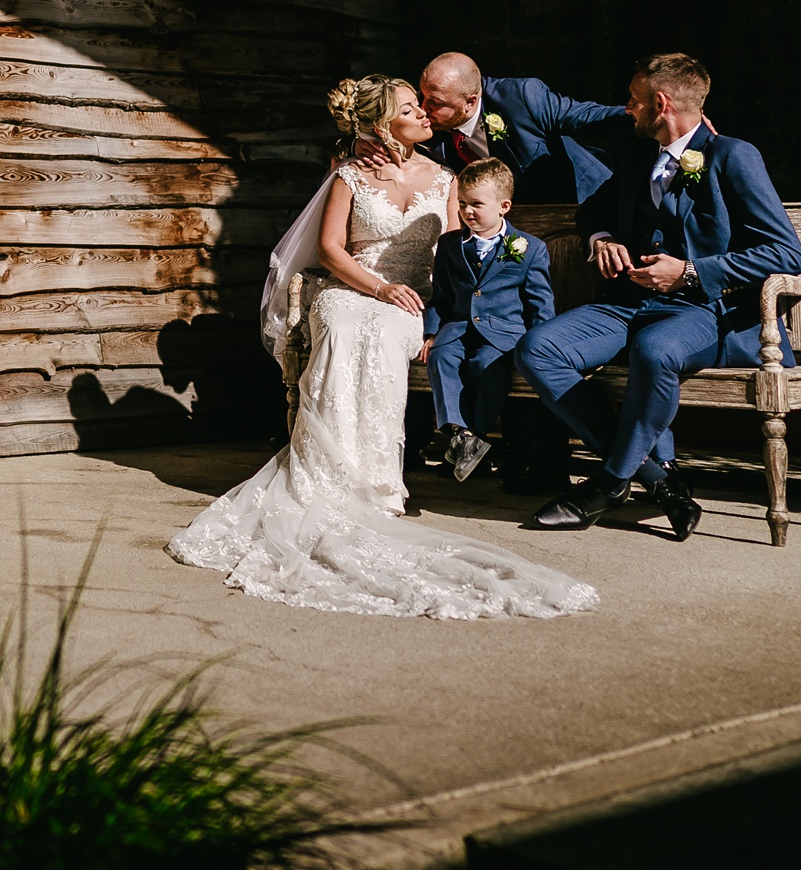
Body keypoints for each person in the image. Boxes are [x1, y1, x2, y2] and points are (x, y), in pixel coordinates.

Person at [168, 75, 598, 619]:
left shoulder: (445, 176)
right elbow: (328, 249)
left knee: (391, 329)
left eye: (424, 106)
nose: (424, 115)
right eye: (411, 108)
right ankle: (330, 473)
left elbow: (452, 254)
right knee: (347, 322)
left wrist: (435, 312)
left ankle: (379, 482)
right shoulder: (352, 170)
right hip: (354, 284)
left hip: (415, 297)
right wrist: (376, 286)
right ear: (380, 125)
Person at [517, 53, 801, 541]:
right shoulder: (635, 156)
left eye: (633, 100)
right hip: (630, 303)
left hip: (711, 312)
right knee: (538, 349)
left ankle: (607, 484)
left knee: (655, 350)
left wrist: (691, 271)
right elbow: (593, 212)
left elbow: (786, 253)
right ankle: (656, 477)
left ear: (661, 102)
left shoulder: (733, 156)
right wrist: (602, 239)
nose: (626, 109)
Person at [421, 158, 556, 483]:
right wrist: (430, 332)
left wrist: (540, 345)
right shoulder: (450, 245)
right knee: (440, 358)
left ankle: (473, 433)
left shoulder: (527, 247)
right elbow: (440, 296)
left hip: (504, 336)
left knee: (485, 366)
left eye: (477, 205)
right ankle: (462, 434)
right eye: (463, 204)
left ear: (503, 206)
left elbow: (540, 303)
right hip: (458, 329)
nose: (468, 212)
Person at [415, 52, 630, 206]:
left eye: (435, 102)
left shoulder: (521, 97)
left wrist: (642, 114)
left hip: (580, 199)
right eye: (422, 96)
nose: (423, 108)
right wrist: (380, 146)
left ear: (470, 102)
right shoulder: (424, 118)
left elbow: (584, 116)